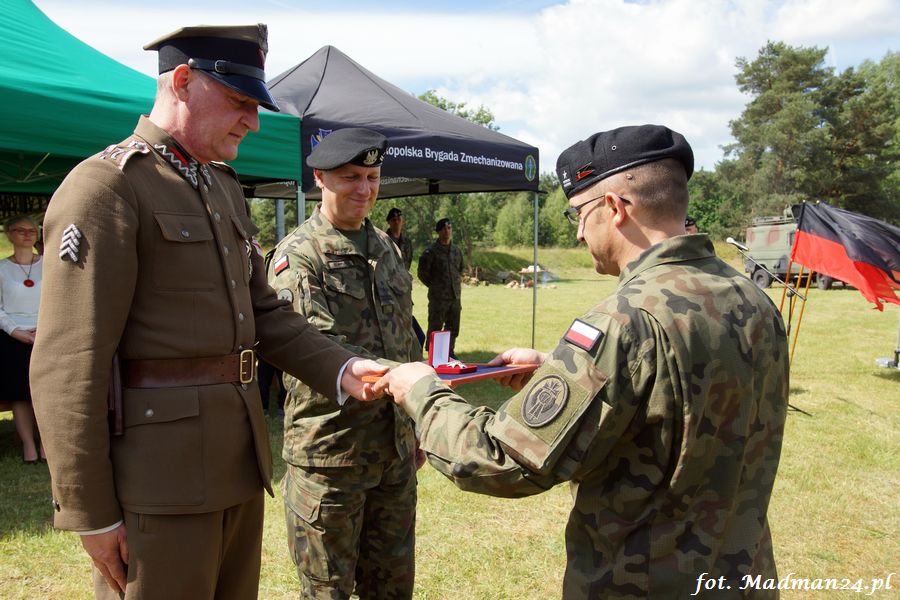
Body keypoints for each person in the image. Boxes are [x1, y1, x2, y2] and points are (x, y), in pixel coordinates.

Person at [30, 25, 385, 600]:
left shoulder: (221, 185)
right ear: (182, 82)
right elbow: (69, 360)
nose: (253, 121)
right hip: (158, 483)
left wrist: (343, 369)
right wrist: (89, 511)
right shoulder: (107, 187)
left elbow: (264, 311)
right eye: (240, 101)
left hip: (235, 467)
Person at [373, 125, 789, 599]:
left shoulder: (625, 321)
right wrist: (558, 367)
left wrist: (422, 391)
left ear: (613, 208)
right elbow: (683, 397)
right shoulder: (750, 298)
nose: (577, 232)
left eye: (579, 213)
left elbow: (502, 458)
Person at [268, 128, 422, 599]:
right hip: (331, 456)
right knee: (327, 590)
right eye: (350, 177)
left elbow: (405, 337)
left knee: (392, 586)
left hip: (393, 452)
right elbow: (309, 343)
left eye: (372, 177)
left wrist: (416, 422)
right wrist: (400, 377)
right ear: (320, 179)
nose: (364, 189)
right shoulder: (299, 254)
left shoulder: (387, 248)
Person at [0, 215, 44, 464]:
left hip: (46, 335)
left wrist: (44, 329)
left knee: (45, 391)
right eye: (21, 230)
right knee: (20, 393)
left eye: (32, 230)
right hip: (13, 337)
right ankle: (29, 446)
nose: (27, 234)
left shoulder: (50, 265)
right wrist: (15, 331)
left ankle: (46, 444)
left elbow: (58, 298)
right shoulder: (1, 268)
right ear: (9, 235)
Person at [417, 217, 464, 357]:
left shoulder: (456, 251)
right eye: (443, 229)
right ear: (438, 232)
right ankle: (433, 355)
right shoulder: (430, 252)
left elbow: (459, 270)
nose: (447, 231)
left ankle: (449, 352)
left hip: (455, 297)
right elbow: (422, 274)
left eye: (449, 228)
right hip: (438, 298)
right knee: (435, 327)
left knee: (453, 327)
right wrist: (436, 287)